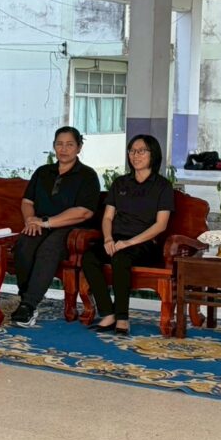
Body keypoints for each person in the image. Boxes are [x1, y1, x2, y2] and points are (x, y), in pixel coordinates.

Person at [79, 135, 175, 336]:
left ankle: (122, 318)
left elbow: (161, 225)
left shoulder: (162, 186)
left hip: (144, 243)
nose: (135, 155)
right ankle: (108, 313)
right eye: (132, 151)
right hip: (116, 239)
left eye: (141, 151)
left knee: (120, 258)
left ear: (153, 154)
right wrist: (108, 239)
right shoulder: (120, 183)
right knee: (89, 257)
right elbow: (107, 217)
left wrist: (128, 242)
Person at [11, 126, 100, 328]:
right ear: (53, 146)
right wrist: (30, 220)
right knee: (24, 243)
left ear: (79, 147)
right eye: (59, 144)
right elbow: (27, 201)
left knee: (49, 249)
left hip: (71, 229)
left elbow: (84, 212)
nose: (64, 149)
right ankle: (26, 299)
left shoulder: (87, 175)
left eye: (70, 144)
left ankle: (28, 305)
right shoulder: (43, 172)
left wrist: (47, 222)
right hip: (40, 223)